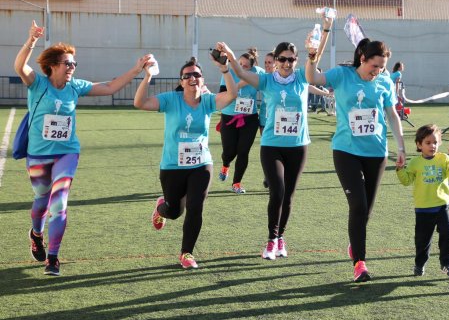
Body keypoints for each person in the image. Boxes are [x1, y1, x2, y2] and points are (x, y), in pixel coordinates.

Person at [14, 20, 151, 276]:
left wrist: (136, 69)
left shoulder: (75, 87)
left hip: (67, 153)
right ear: (53, 66)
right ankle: (36, 233)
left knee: (59, 204)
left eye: (74, 64)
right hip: (38, 155)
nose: (72, 68)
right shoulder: (38, 84)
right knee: (41, 201)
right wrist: (31, 40)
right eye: (68, 63)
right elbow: (20, 66)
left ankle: (53, 258)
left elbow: (110, 87)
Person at [306, 18, 406, 282]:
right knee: (358, 205)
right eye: (374, 66)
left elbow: (392, 114)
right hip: (346, 150)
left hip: (376, 152)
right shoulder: (342, 75)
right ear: (362, 58)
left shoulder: (384, 81)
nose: (377, 72)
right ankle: (360, 263)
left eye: (382, 67)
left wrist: (401, 146)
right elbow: (312, 77)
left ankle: (355, 244)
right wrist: (312, 56)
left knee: (366, 211)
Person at [216, 38, 331, 261]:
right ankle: (271, 239)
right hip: (271, 145)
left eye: (291, 59)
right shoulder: (267, 81)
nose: (287, 63)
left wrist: (324, 31)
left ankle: (281, 239)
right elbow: (240, 74)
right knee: (277, 191)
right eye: (282, 59)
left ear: (296, 61)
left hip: (298, 146)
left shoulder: (301, 77)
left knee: (288, 196)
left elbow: (315, 60)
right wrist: (229, 54)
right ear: (276, 61)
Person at [133, 56, 237, 269]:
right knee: (174, 212)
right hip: (172, 166)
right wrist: (148, 76)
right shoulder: (171, 100)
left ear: (202, 80)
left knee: (195, 207)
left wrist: (225, 70)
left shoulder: (208, 101)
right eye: (187, 75)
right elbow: (140, 103)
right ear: (181, 82)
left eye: (196, 75)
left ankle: (186, 253)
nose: (192, 78)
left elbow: (232, 95)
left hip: (201, 164)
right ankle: (161, 207)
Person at [396, 124, 449, 278]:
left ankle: (446, 263)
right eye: (428, 143)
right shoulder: (415, 163)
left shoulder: (443, 158)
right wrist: (400, 169)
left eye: (435, 142)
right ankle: (420, 264)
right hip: (423, 208)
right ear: (419, 145)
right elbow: (406, 181)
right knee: (422, 241)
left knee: (448, 235)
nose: (432, 146)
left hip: (442, 206)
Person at [217, 48, 265, 194]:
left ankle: (236, 183)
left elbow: (270, 83)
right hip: (229, 117)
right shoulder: (229, 73)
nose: (242, 67)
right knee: (229, 151)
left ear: (251, 67)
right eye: (240, 63)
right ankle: (225, 164)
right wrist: (241, 84)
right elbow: (222, 95)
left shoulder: (258, 72)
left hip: (249, 118)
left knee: (243, 151)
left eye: (246, 66)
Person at [260, 51, 275, 188]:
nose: (267, 65)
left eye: (270, 62)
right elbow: (245, 80)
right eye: (265, 62)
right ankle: (268, 176)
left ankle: (274, 178)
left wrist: (323, 92)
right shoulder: (263, 78)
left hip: (278, 121)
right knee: (267, 149)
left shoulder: (282, 79)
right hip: (264, 119)